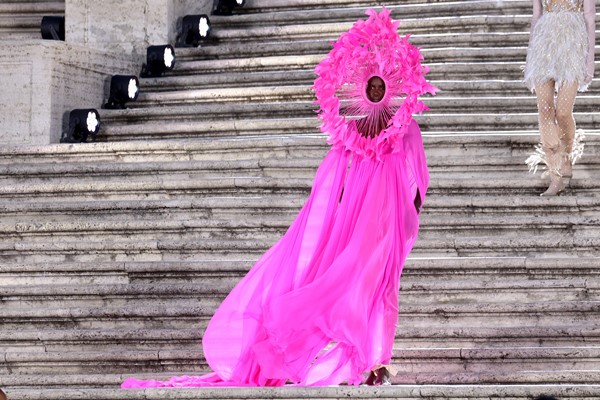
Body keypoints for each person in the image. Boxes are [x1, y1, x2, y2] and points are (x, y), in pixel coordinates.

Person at [122, 7, 435, 388]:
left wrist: (410, 216)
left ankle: (375, 363)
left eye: (379, 85)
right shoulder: (353, 134)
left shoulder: (405, 130)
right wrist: (332, 221)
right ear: (363, 87)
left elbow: (418, 178)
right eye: (369, 85)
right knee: (344, 288)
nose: (373, 90)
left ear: (390, 86)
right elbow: (331, 183)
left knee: (381, 289)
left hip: (389, 225)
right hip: (358, 224)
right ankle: (334, 356)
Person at [524, 0, 596, 196]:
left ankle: (566, 155)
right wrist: (530, 59)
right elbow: (536, 16)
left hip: (573, 44)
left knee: (563, 113)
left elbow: (589, 17)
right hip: (543, 44)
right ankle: (555, 176)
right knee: (545, 110)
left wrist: (590, 61)